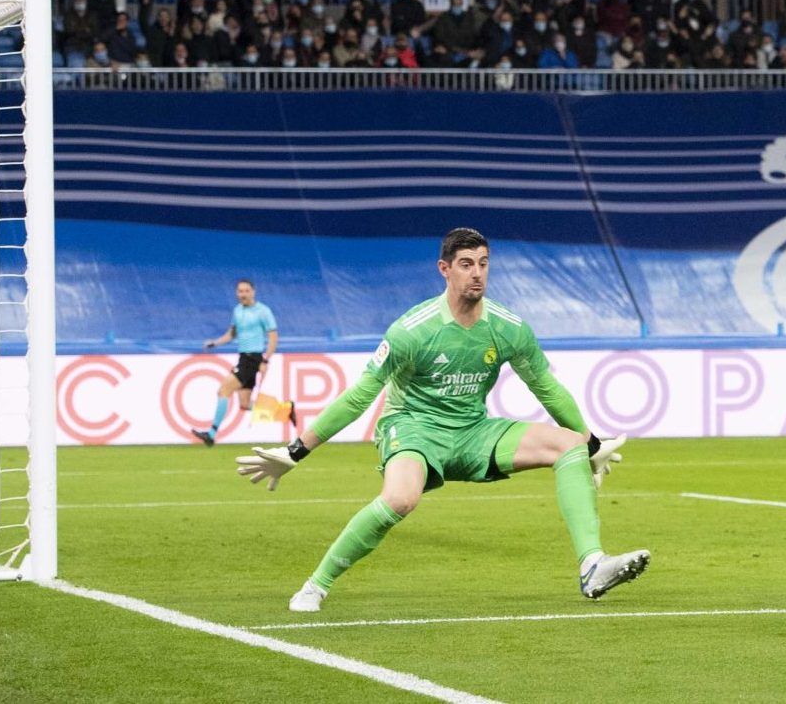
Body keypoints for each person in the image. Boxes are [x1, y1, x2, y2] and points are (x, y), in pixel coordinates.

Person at [235, 228, 648, 612]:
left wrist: (590, 444)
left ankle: (593, 565)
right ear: (444, 269)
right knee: (400, 499)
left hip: (472, 431)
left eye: (484, 263)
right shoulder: (412, 331)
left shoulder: (508, 328)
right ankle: (316, 585)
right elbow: (361, 394)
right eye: (466, 264)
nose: (477, 273)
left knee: (569, 445)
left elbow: (547, 388)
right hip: (412, 427)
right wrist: (296, 450)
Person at [192, 279, 294, 447]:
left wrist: (265, 359)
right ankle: (285, 410)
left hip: (252, 358)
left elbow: (273, 337)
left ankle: (211, 434)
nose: (243, 294)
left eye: (246, 291)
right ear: (236, 293)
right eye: (240, 291)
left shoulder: (263, 311)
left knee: (223, 391)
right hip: (243, 358)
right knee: (245, 404)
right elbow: (232, 334)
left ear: (253, 292)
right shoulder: (237, 311)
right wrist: (215, 343)